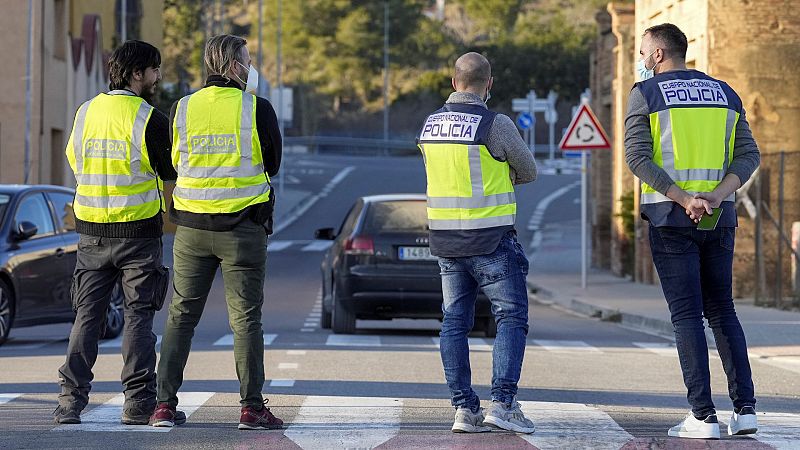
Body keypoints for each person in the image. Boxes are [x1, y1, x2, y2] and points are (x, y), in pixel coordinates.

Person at [625, 23, 760, 440]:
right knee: (722, 309)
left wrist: (683, 198)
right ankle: (746, 410)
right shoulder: (725, 93)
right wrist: (716, 196)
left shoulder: (646, 93)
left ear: (659, 55)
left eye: (644, 52)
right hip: (718, 218)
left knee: (686, 315)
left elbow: (637, 157)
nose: (642, 59)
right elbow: (748, 154)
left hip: (671, 218)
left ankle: (702, 416)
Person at [150, 34, 282, 430]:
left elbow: (173, 163)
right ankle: (251, 407)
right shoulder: (256, 108)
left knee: (180, 317)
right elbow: (272, 163)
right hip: (242, 229)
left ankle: (162, 405)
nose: (250, 66)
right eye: (247, 59)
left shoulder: (182, 107)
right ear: (233, 66)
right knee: (245, 321)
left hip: (190, 228)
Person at [56, 40, 178, 425]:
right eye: (154, 70)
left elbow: (74, 159)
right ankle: (138, 402)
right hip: (138, 234)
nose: (158, 77)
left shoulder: (85, 112)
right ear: (137, 73)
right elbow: (169, 170)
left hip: (91, 232)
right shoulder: (149, 118)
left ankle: (69, 403)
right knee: (138, 316)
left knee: (86, 317)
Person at [417, 52, 538, 434]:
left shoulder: (430, 125)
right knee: (511, 316)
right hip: (492, 240)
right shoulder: (494, 123)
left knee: (454, 321)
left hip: (447, 242)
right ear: (489, 84)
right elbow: (529, 169)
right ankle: (502, 403)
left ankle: (464, 409)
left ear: (454, 83)